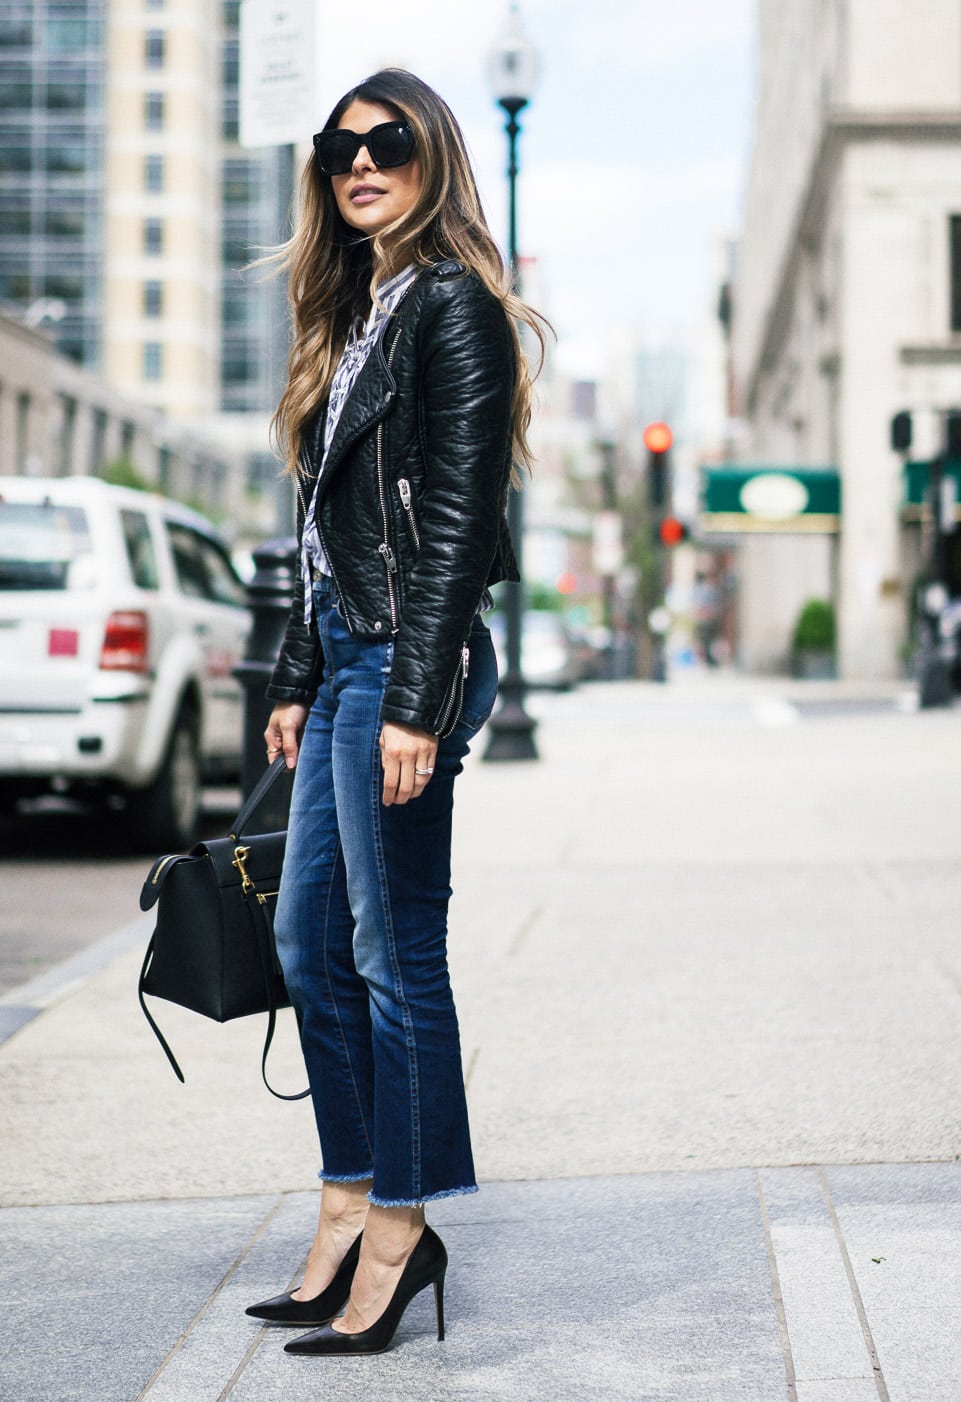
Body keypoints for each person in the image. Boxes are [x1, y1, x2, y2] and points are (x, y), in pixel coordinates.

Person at [245, 68, 546, 1357]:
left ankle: (400, 1228)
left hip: (407, 670)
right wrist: (297, 681)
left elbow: (458, 528)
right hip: (350, 666)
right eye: (340, 149)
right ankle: (346, 1199)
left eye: (389, 143)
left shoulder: (454, 311)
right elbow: (327, 531)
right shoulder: (358, 310)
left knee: (392, 953)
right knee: (309, 948)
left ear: (435, 159)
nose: (361, 163)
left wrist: (413, 700)